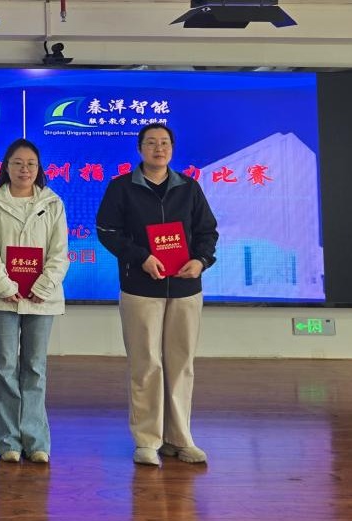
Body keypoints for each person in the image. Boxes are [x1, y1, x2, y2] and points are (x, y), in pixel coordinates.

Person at [95, 123, 218, 466]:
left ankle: (179, 438)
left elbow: (208, 231)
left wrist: (200, 260)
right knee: (146, 364)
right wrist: (141, 258)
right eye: (151, 143)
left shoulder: (189, 188)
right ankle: (147, 440)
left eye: (164, 143)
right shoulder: (121, 187)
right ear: (140, 149)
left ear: (172, 149)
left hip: (185, 288)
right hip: (140, 287)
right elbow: (107, 231)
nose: (158, 148)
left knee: (181, 364)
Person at [0, 138, 69, 465]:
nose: (24, 169)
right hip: (2, 298)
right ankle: (8, 441)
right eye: (17, 163)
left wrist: (44, 285)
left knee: (34, 368)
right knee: (4, 367)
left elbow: (60, 251)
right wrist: (3, 285)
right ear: (6, 166)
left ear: (38, 168)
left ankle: (36, 440)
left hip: (42, 298)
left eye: (31, 164)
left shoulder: (53, 203)